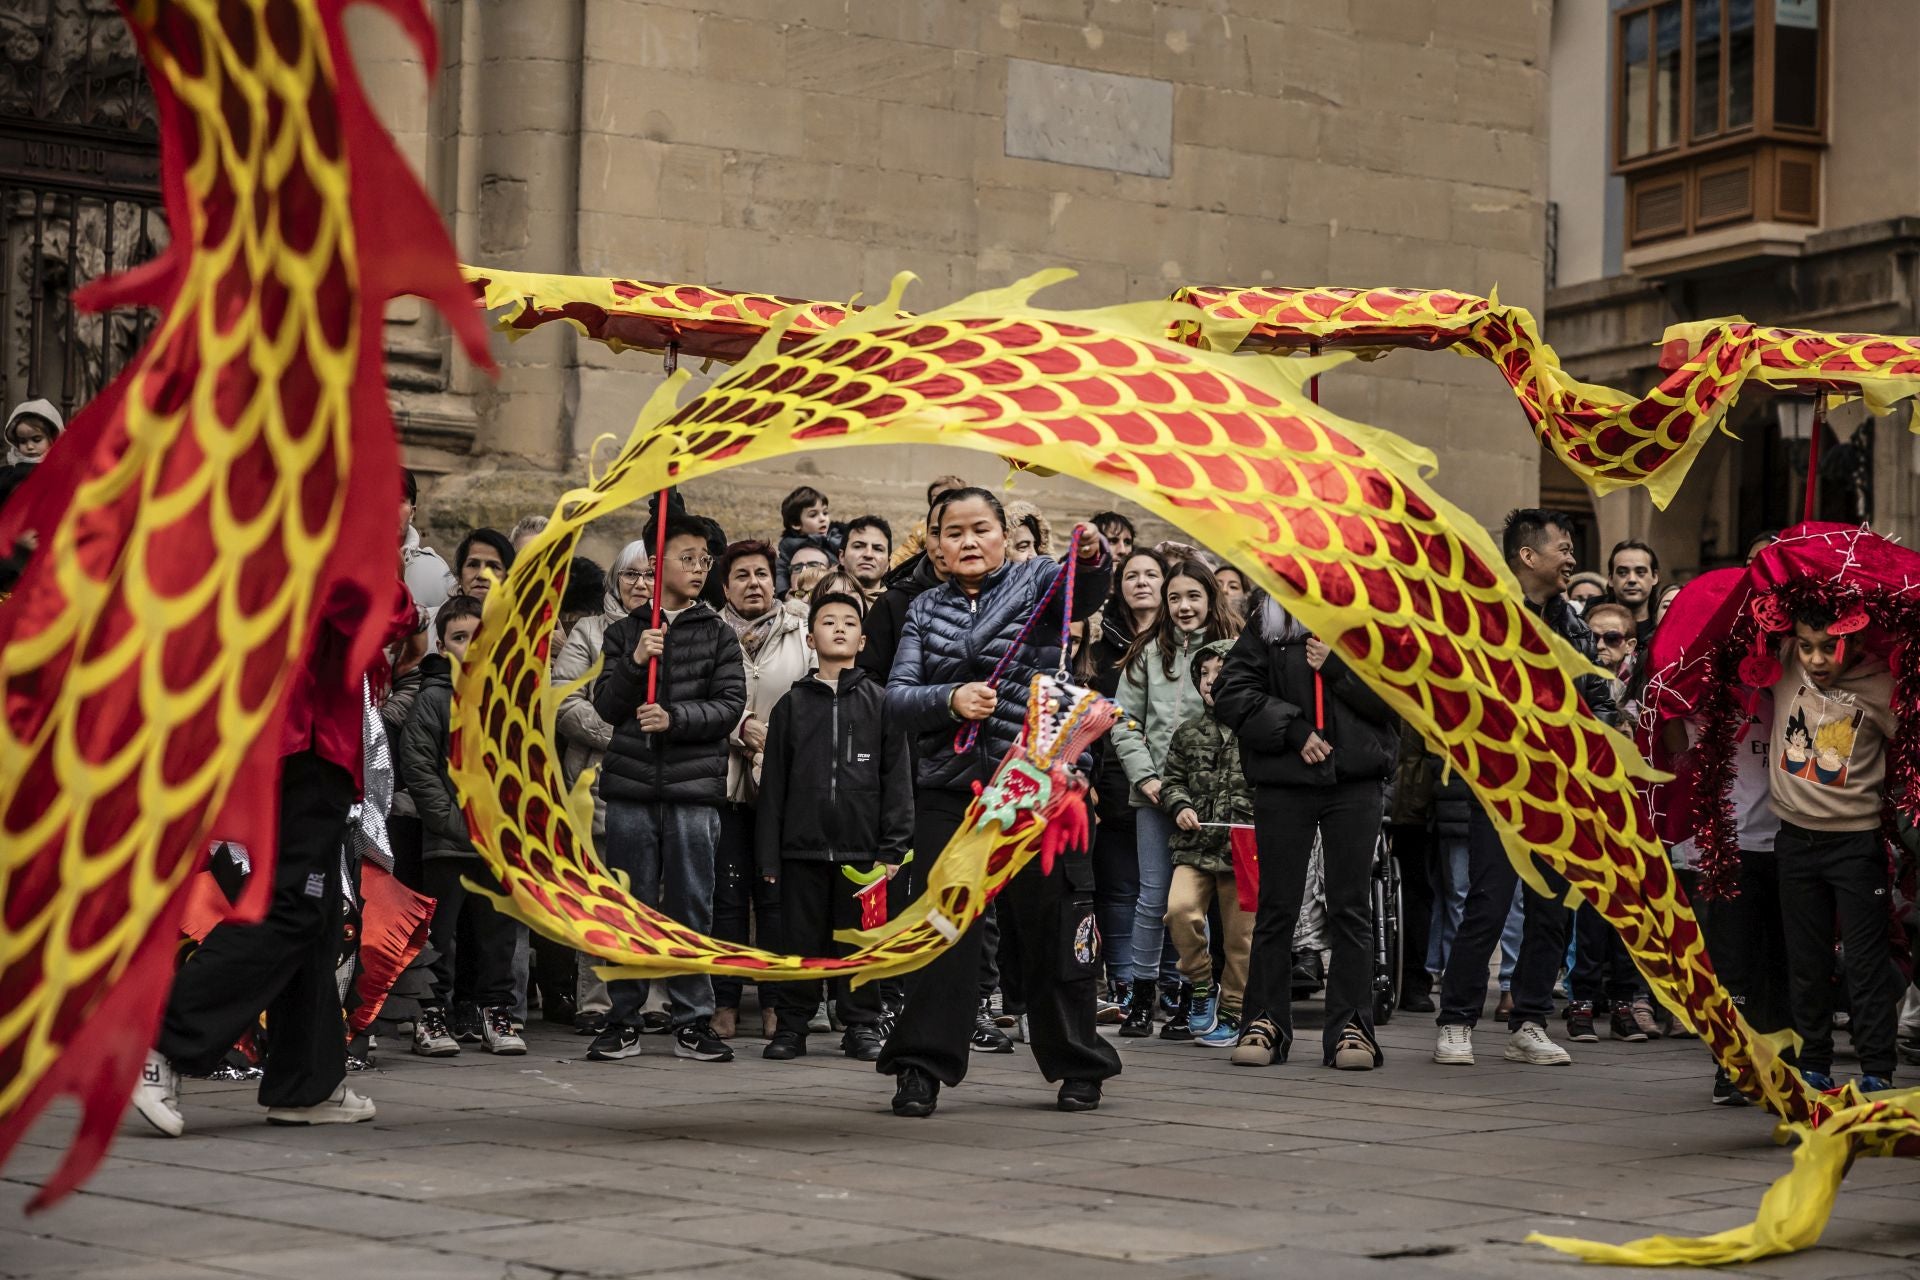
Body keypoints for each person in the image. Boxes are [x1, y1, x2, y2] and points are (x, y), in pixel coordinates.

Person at [133, 570, 423, 1136]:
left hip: (296, 738)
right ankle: (164, 1040)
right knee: (290, 905)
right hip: (303, 741)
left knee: (314, 914)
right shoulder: (326, 530)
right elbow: (384, 609)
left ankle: (306, 1083)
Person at [878, 487, 1120, 1116]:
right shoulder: (922, 608)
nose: (968, 542)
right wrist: (949, 699)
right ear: (935, 544)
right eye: (953, 531)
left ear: (1005, 533)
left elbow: (1084, 589)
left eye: (980, 528)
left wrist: (1092, 555)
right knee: (943, 930)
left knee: (1052, 927)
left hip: (1039, 785)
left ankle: (1078, 1063)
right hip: (951, 792)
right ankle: (921, 1066)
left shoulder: (1037, 580)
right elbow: (896, 699)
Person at [1432, 510, 1613, 1069]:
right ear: (1527, 556)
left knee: (1552, 909)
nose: (1572, 559)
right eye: (1564, 548)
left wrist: (1605, 732)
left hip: (1560, 788)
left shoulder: (1573, 625)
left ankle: (1530, 1021)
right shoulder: (1483, 617)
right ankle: (1456, 1020)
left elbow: (1597, 698)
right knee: (1488, 903)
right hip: (1499, 786)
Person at [1212, 591, 1398, 1072]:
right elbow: (1231, 691)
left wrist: (1336, 667)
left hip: (1355, 779)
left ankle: (1352, 1026)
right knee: (1276, 905)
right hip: (1284, 780)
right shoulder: (1270, 617)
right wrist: (1293, 730)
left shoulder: (1377, 617)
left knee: (1351, 906)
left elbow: (1399, 699)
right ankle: (1265, 1021)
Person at [587, 513, 746, 1064]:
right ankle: (622, 1018)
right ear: (658, 564)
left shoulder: (719, 633)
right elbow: (607, 705)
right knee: (628, 905)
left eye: (705, 560)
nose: (699, 569)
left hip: (692, 792)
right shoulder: (625, 632)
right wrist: (636, 662)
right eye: (688, 558)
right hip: (632, 788)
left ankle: (693, 1019)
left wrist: (674, 718)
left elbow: (729, 706)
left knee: (690, 905)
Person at [757, 592, 911, 1061]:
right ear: (810, 638)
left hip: (862, 855)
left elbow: (897, 782)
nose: (839, 628)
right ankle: (792, 1027)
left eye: (849, 622)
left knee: (859, 943)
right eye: (828, 621)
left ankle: (861, 1025)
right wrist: (769, 857)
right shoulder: (791, 706)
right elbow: (774, 788)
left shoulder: (882, 703)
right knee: (800, 944)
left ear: (862, 640)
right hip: (800, 851)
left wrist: (892, 850)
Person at [1770, 600, 1901, 1092]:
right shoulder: (1785, 662)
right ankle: (1813, 1064)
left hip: (1855, 843)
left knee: (1866, 963)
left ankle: (1877, 1070)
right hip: (1794, 841)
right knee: (1807, 961)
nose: (1816, 659)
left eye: (1830, 647)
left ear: (1857, 641)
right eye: (1807, 646)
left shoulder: (1883, 684)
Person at [1110, 557, 1241, 1036]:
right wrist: (1146, 778)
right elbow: (1124, 722)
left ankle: (1194, 994)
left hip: (1213, 801)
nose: (1184, 606)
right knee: (1152, 898)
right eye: (1175, 598)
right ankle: (1142, 995)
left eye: (1193, 596)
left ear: (1211, 598)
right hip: (1154, 796)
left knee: (1205, 903)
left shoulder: (1234, 648)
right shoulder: (1149, 651)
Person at [396, 595, 526, 1057]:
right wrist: (454, 822)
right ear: (441, 646)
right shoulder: (432, 700)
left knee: (497, 936)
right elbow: (419, 768)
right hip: (448, 842)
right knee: (439, 936)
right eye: (459, 638)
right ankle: (430, 1013)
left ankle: (494, 1010)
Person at [713, 540, 812, 1039]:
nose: (754, 583)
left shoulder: (800, 632)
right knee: (728, 896)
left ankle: (775, 1002)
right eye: (742, 575)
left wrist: (778, 739)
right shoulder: (710, 633)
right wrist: (740, 728)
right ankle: (724, 1002)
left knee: (776, 897)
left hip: (783, 785)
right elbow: (698, 697)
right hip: (723, 785)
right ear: (725, 586)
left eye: (761, 574)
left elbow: (815, 697)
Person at [552, 538, 650, 1035]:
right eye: (631, 574)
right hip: (598, 783)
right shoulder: (590, 632)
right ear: (615, 580)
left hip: (656, 786)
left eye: (650, 575)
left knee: (653, 897)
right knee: (599, 897)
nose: (641, 584)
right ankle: (595, 1000)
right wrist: (619, 738)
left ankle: (654, 999)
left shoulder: (678, 629)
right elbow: (564, 699)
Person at [1561, 605, 1656, 1044]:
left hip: (1634, 816)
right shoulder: (1577, 683)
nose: (1601, 646)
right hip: (1587, 814)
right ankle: (1581, 1002)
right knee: (1589, 915)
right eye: (1593, 637)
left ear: (1630, 645)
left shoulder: (1646, 690)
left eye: (1612, 638)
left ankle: (1624, 1003)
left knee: (1631, 915)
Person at [1156, 641, 1252, 1046]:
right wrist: (1179, 805)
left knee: (1241, 937)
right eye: (1204, 673)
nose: (1211, 681)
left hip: (1243, 849)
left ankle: (1233, 1009)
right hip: (1195, 846)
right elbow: (1172, 781)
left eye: (1220, 671)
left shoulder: (1257, 729)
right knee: (1179, 910)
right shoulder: (1188, 732)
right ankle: (1200, 983)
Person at [1085, 549, 1165, 1013]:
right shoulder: (1101, 650)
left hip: (1171, 782)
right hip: (1113, 777)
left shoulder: (1182, 643)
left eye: (1151, 574)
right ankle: (1124, 982)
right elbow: (1089, 722)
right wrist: (1090, 781)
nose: (1141, 582)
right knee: (1118, 889)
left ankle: (1169, 983)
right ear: (1118, 587)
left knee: (1165, 890)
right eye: (1132, 575)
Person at [774, 484, 844, 595]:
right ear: (796, 523)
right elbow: (780, 572)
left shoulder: (835, 536)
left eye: (825, 513)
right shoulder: (790, 546)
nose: (822, 519)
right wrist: (784, 593)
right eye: (813, 515)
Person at [1607, 539, 1661, 645]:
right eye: (1622, 572)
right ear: (1610, 579)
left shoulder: (1666, 628)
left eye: (1640, 572)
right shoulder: (1589, 630)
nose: (1632, 579)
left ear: (1654, 577)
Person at [839, 514, 892, 604]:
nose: (868, 554)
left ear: (888, 563)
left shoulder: (902, 607)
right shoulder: (819, 597)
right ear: (842, 556)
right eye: (858, 546)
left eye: (878, 549)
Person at [454, 528, 515, 603]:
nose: (481, 575)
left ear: (508, 577)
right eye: (473, 565)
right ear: (460, 577)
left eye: (493, 567)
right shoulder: (441, 610)